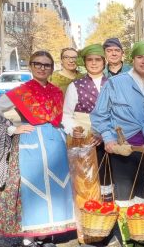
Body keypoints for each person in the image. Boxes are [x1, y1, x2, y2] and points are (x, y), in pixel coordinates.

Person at [0, 50, 74, 247]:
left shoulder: (57, 92)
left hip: (56, 143)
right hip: (30, 143)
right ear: (31, 66)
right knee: (31, 187)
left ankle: (47, 232)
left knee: (55, 188)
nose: (42, 68)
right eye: (38, 64)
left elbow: (64, 118)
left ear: (52, 68)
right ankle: (30, 236)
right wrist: (12, 128)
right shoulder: (21, 91)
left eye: (46, 65)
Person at [91, 41, 144, 245]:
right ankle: (126, 237)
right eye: (140, 57)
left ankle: (141, 234)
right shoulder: (116, 83)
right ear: (132, 59)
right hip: (123, 147)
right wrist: (108, 138)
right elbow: (99, 115)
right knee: (124, 195)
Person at [62, 43, 110, 203]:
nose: (94, 63)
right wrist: (72, 129)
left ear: (104, 62)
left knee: (107, 180)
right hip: (84, 141)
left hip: (108, 141)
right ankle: (88, 220)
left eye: (98, 59)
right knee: (86, 182)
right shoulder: (75, 86)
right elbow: (67, 115)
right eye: (90, 59)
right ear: (85, 62)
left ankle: (110, 221)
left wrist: (104, 134)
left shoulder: (114, 84)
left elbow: (119, 114)